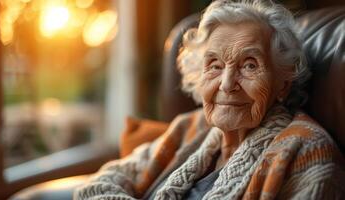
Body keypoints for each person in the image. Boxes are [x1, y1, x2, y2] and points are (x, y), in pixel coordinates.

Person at [74, 0, 345, 199]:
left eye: (250, 65)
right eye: (214, 65)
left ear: (283, 82)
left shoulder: (306, 150)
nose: (227, 85)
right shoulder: (190, 127)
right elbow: (100, 184)